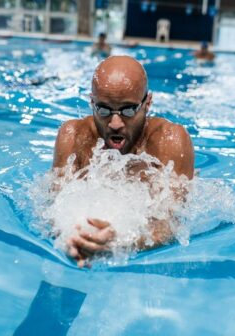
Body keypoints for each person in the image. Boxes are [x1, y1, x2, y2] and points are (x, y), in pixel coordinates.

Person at [52, 56, 195, 267]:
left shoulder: (170, 141)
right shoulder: (73, 136)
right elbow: (52, 206)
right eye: (103, 110)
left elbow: (170, 223)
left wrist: (120, 241)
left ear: (147, 103)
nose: (115, 123)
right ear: (91, 102)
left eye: (128, 110)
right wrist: (71, 237)